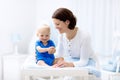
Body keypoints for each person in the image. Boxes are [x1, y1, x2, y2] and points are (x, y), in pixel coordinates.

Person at [52, 8, 101, 80]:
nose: (55, 27)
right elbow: (59, 54)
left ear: (67, 22)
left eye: (57, 24)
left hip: (89, 63)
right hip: (74, 63)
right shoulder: (61, 36)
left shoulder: (84, 36)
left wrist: (69, 64)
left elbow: (84, 61)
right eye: (54, 24)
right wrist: (46, 55)